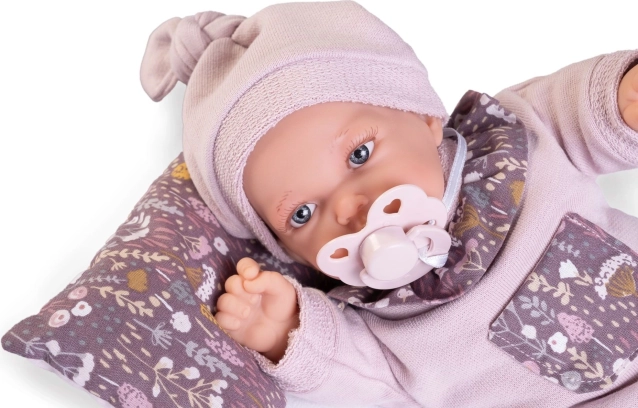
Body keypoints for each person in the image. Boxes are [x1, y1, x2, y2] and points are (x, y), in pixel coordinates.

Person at [140, 1, 638, 406]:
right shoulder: (376, 324)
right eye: (302, 214)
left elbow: (577, 113)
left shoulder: (513, 140)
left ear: (423, 116)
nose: (349, 208)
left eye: (359, 154)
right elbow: (362, 381)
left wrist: (619, 101)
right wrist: (285, 330)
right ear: (290, 252)